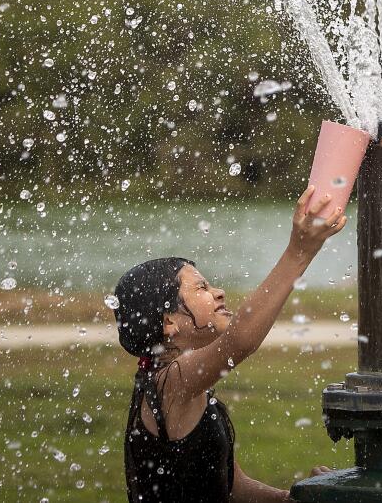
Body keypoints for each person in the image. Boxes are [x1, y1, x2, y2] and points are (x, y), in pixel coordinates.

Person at [115, 186, 347, 502]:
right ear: (169, 321)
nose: (219, 292)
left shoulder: (185, 384)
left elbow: (232, 486)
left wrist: (295, 498)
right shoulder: (172, 381)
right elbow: (239, 341)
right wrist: (299, 251)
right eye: (201, 288)